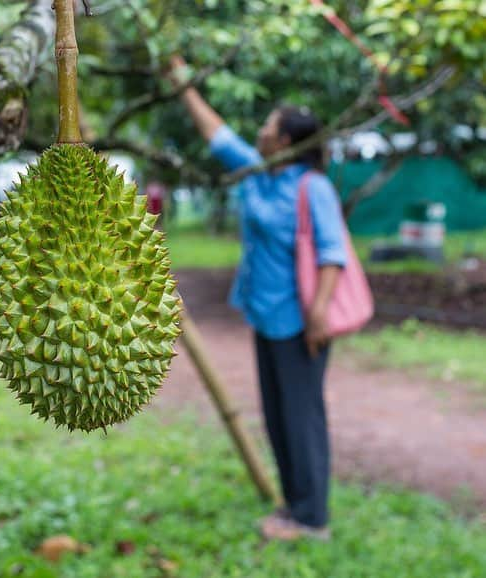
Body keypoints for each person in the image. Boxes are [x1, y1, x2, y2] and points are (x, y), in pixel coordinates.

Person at [168, 56, 347, 542]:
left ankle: (313, 520)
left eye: (269, 124)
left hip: (300, 323)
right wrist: (182, 82)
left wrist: (317, 316)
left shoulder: (314, 188)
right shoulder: (258, 174)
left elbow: (333, 255)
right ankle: (294, 507)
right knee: (277, 414)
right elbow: (216, 134)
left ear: (284, 140)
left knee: (302, 415)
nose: (261, 129)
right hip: (266, 316)